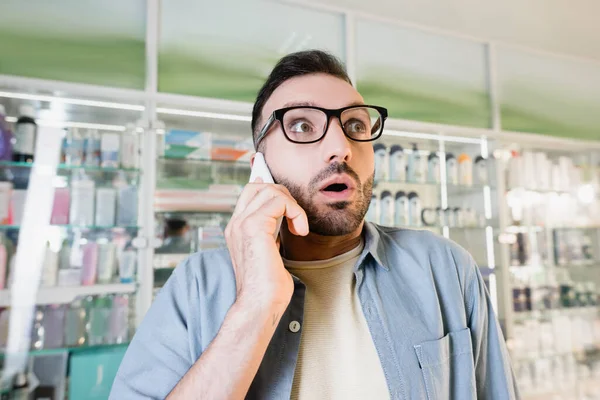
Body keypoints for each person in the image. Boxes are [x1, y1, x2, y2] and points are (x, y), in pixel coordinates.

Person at [110, 50, 518, 400]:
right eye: (302, 125)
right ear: (260, 169)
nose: (341, 146)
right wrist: (255, 306)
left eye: (356, 125)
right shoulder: (197, 286)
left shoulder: (445, 268)